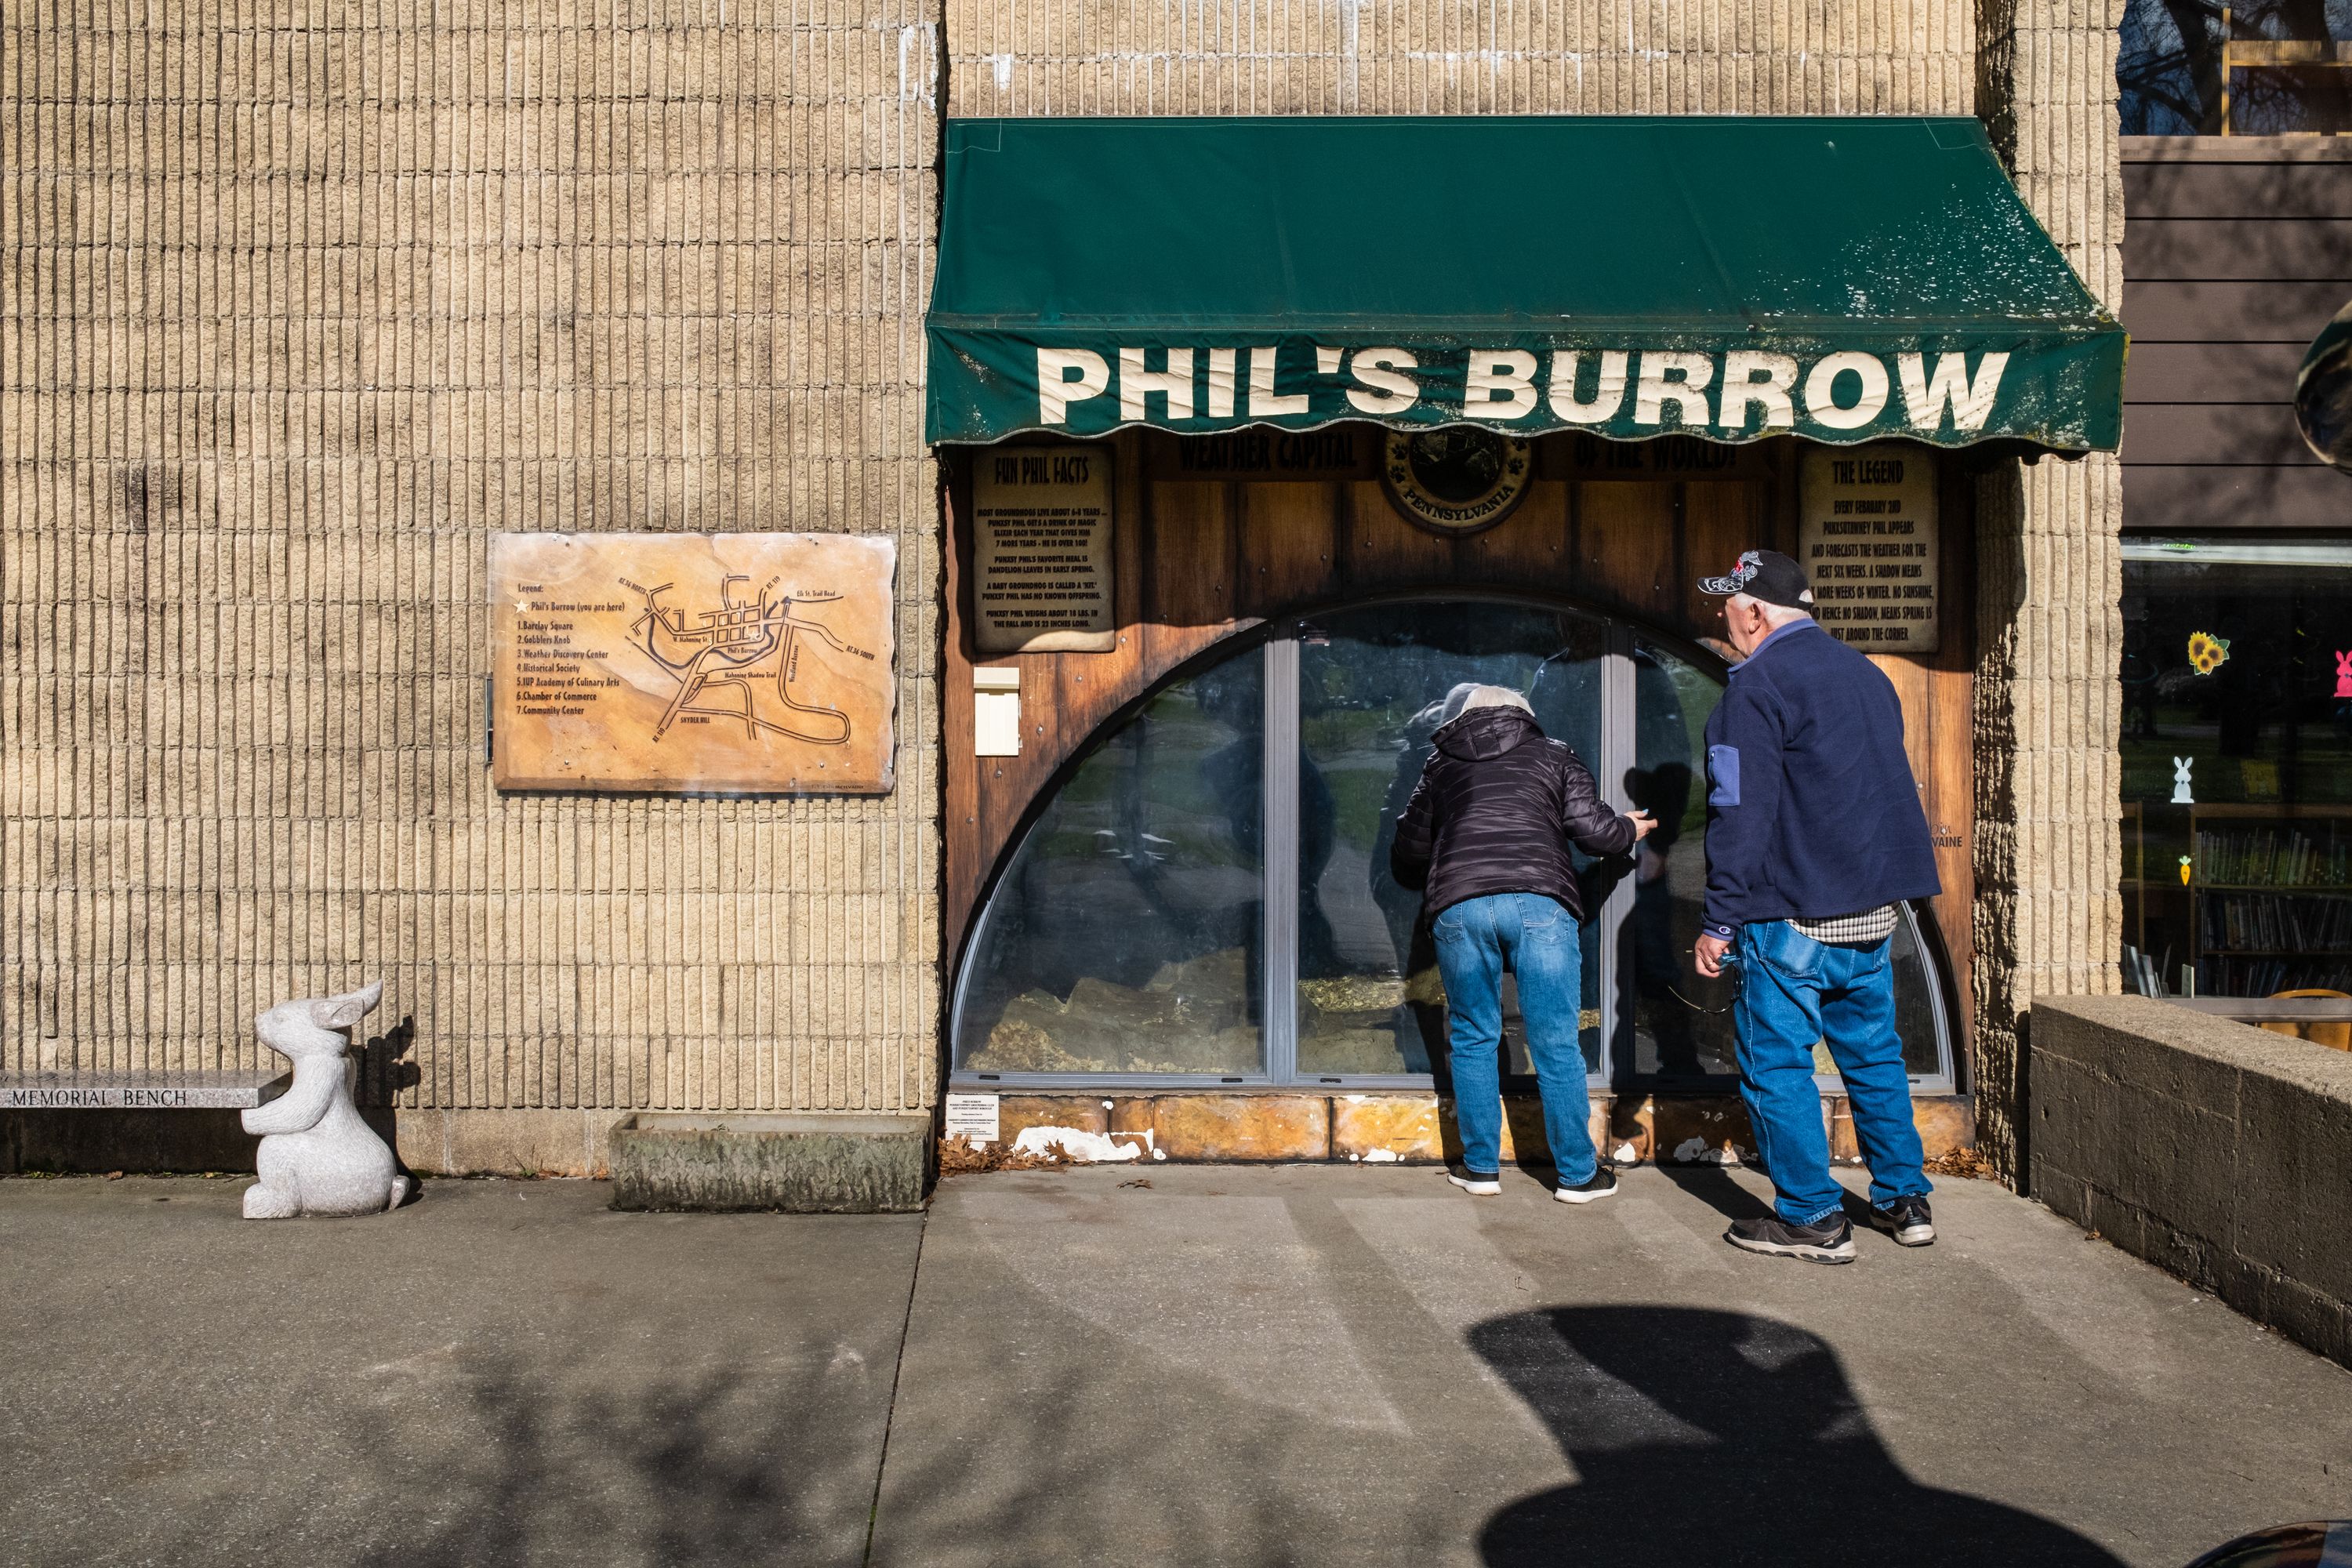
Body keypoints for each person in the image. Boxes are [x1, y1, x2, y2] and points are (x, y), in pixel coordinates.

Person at [1693, 550, 1943, 1263]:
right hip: (1872, 910)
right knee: (1873, 1057)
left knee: (1776, 1063)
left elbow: (1738, 813)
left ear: (1758, 611)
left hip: (1793, 910)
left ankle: (1811, 1219)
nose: (1723, 617)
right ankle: (1904, 1200)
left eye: (1730, 605)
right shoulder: (1867, 676)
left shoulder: (1757, 686)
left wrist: (1718, 920)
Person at [1392, 684, 1654, 1203]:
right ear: (1524, 716)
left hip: (1460, 905)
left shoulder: (1440, 766)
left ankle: (1480, 1169)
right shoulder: (1555, 754)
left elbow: (1409, 847)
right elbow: (1593, 832)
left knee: (1472, 1036)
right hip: (1540, 903)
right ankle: (1577, 1175)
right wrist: (1630, 827)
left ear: (1462, 719)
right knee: (1555, 1040)